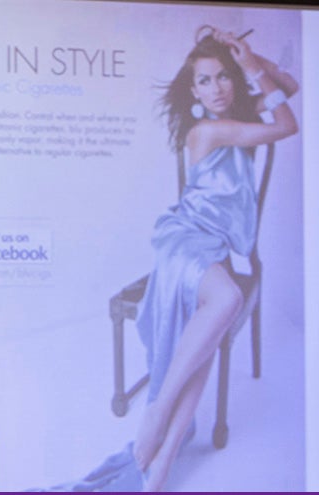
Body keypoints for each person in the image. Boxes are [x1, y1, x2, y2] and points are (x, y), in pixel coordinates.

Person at [133, 25, 298, 491]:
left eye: (224, 76)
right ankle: (159, 412)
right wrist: (247, 67)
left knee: (209, 328)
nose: (217, 88)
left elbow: (289, 87)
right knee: (224, 301)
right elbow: (287, 123)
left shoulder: (238, 116)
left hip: (213, 247)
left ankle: (163, 459)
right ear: (193, 91)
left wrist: (249, 58)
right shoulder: (209, 129)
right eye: (204, 81)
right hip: (184, 239)